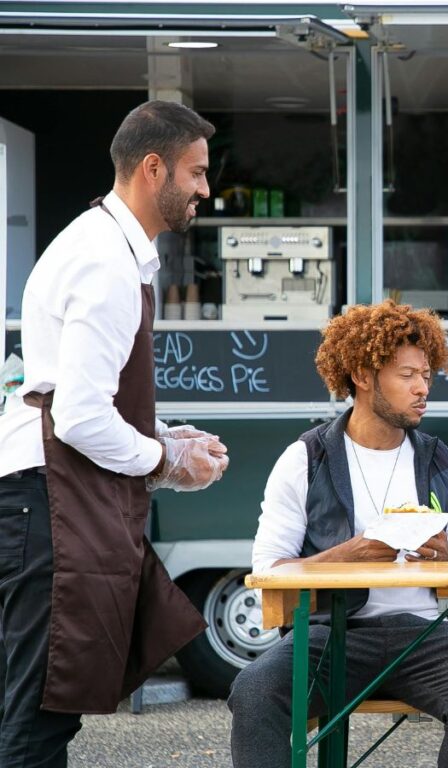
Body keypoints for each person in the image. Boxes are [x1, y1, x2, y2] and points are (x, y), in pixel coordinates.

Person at [0, 99, 230, 767]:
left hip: (45, 496)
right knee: (38, 717)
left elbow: (81, 396)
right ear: (152, 167)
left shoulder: (104, 245)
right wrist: (166, 460)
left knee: (36, 709)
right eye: (196, 173)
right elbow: (76, 416)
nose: (204, 190)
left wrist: (166, 435)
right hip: (49, 504)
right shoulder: (106, 262)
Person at [228, 300, 448, 768]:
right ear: (362, 375)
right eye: (407, 376)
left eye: (427, 375)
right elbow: (268, 571)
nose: (423, 389)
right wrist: (350, 555)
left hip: (424, 635)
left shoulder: (441, 460)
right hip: (332, 634)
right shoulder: (305, 458)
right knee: (256, 691)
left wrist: (445, 556)